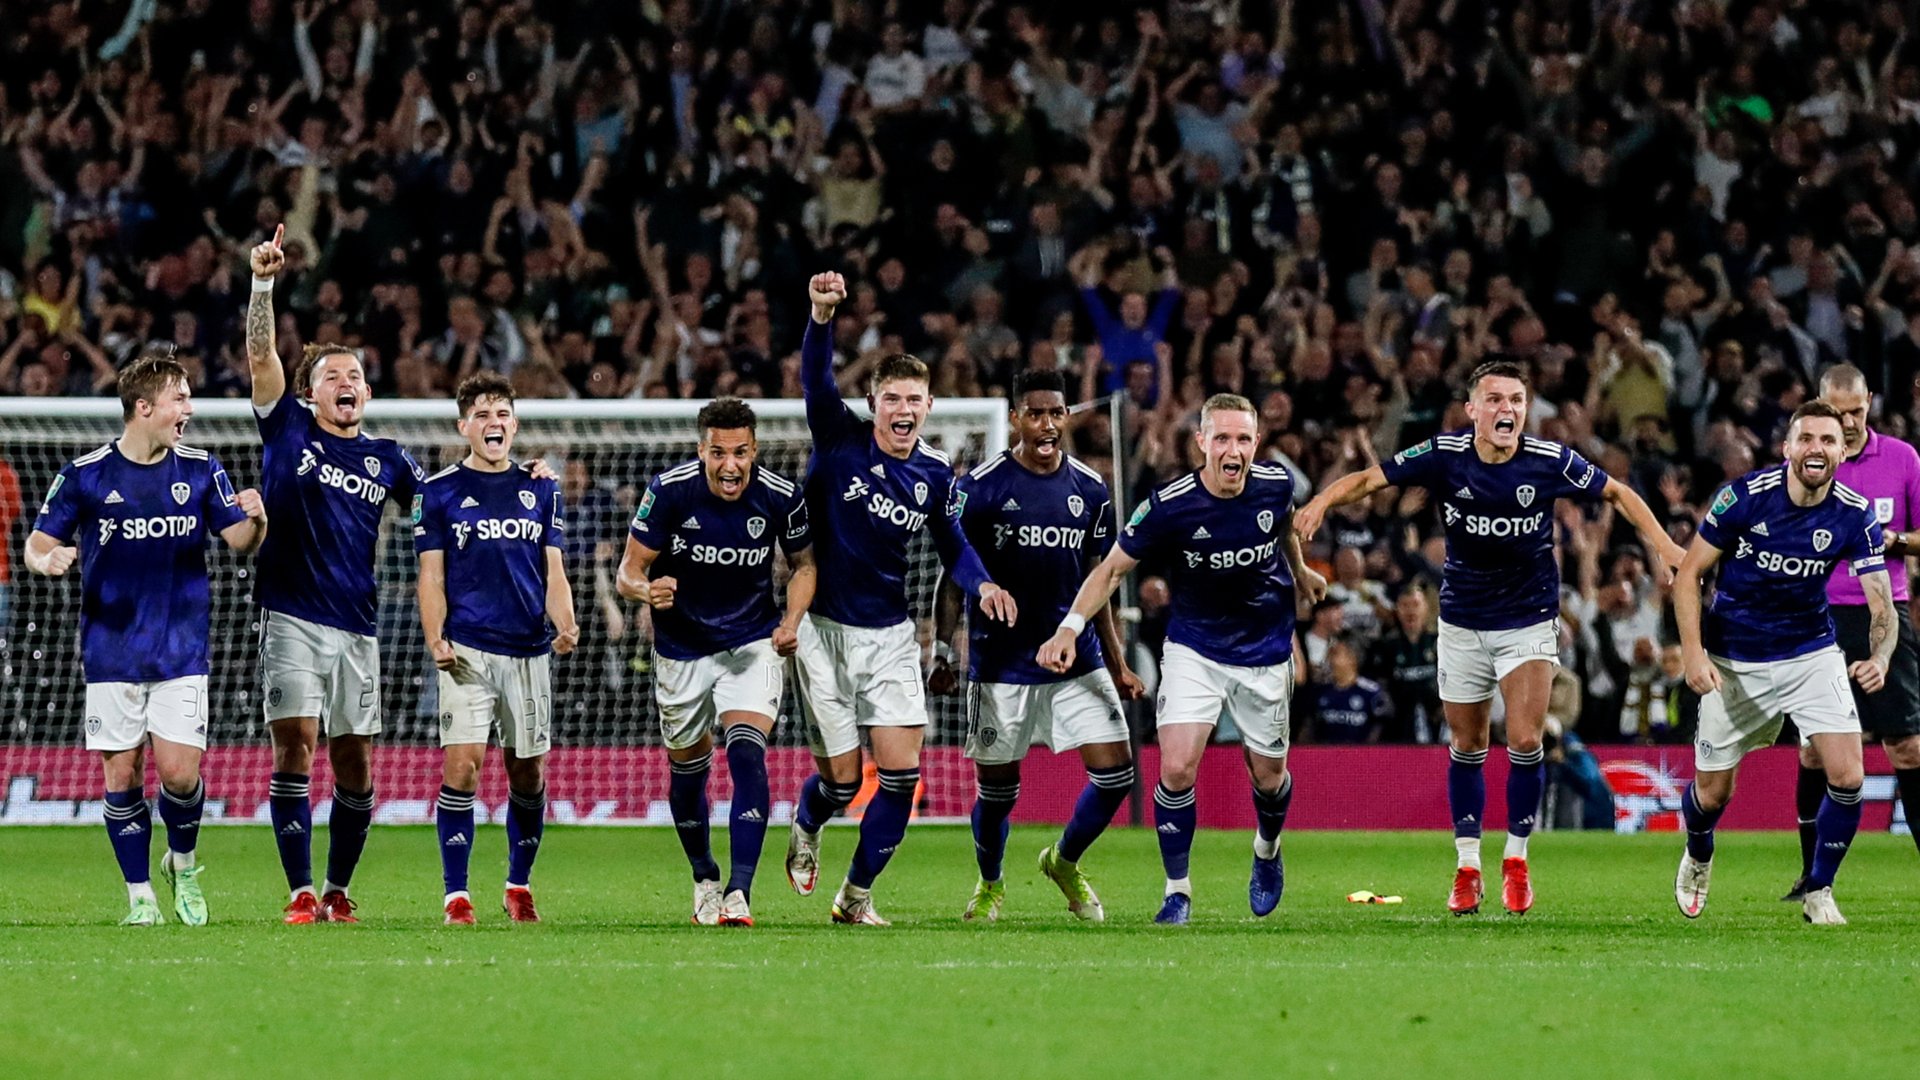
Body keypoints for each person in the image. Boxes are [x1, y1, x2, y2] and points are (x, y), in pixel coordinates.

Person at [1296, 360, 1684, 916]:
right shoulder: (1445, 455)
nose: (1507, 410)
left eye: (1516, 401)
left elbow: (1618, 492)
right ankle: (1467, 866)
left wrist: (1666, 547)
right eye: (1495, 400)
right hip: (1460, 622)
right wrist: (1319, 503)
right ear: (1473, 409)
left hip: (1527, 620)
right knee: (1468, 746)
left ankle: (1517, 861)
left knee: (1526, 740)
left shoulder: (1548, 460)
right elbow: (1369, 479)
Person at [1038, 393, 1327, 925]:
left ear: (1256, 444)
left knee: (1269, 778)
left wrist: (1301, 570)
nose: (1233, 449)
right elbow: (1111, 571)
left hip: (1264, 650)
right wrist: (1068, 628)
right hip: (1195, 647)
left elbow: (1282, 525)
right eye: (1222, 438)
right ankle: (1178, 890)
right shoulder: (1169, 505)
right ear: (1201, 443)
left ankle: (1266, 850)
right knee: (1175, 766)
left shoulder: (1276, 484)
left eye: (1243, 438)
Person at [785, 271, 1017, 927]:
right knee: (838, 779)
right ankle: (807, 823)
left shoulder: (934, 474)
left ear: (929, 406)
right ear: (874, 402)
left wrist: (985, 584)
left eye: (913, 398)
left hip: (889, 636)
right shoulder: (839, 437)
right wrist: (821, 316)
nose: (902, 409)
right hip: (823, 631)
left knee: (900, 777)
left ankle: (855, 898)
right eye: (891, 398)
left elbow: (957, 550)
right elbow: (813, 381)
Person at [25, 351, 266, 925]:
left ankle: (182, 866)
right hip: (110, 652)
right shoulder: (86, 475)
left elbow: (239, 541)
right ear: (144, 407)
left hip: (181, 649)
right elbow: (35, 543)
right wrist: (48, 558)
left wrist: (257, 518)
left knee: (181, 775)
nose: (189, 408)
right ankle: (140, 897)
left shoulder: (203, 468)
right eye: (179, 398)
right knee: (122, 775)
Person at [247, 225, 427, 924]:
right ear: (309, 393)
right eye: (332, 376)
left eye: (354, 376)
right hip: (290, 613)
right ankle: (297, 890)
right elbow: (261, 350)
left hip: (358, 625)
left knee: (355, 763)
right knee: (295, 744)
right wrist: (263, 282)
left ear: (368, 391)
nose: (345, 383)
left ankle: (339, 889)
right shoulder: (286, 427)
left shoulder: (388, 457)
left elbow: (441, 512)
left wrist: (513, 478)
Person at [931, 368, 1145, 923]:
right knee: (999, 794)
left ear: (1067, 416)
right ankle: (990, 882)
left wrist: (1119, 664)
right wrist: (942, 653)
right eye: (1036, 414)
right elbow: (953, 575)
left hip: (1076, 660)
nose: (1047, 425)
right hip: (1001, 664)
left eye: (1057, 413)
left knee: (1117, 773)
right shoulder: (980, 486)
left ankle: (1064, 859)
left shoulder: (1091, 490)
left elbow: (1099, 585)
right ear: (1015, 418)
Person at [1673, 400, 1893, 926]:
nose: (1817, 448)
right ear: (1788, 447)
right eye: (1807, 439)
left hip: (1810, 654)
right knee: (1713, 793)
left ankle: (1819, 888)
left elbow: (1881, 600)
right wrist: (1693, 654)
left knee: (1849, 774)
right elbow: (1688, 576)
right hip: (1735, 658)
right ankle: (1699, 850)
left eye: (1828, 440)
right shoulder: (1744, 498)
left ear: (1843, 450)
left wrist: (1881, 654)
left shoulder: (1853, 512)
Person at [615, 397, 815, 928]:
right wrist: (646, 590)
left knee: (748, 755)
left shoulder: (781, 496)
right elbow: (627, 572)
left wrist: (792, 620)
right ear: (702, 449)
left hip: (751, 642)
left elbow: (804, 566)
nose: (731, 465)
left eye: (742, 452)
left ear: (755, 450)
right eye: (719, 453)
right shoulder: (669, 490)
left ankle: (739, 892)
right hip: (681, 648)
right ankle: (704, 874)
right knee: (687, 771)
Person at [414, 373, 578, 926]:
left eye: (502, 414)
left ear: (515, 424)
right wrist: (435, 635)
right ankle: (455, 894)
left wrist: (567, 622)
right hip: (468, 649)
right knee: (462, 766)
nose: (494, 423)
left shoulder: (542, 488)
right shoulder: (438, 492)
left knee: (527, 775)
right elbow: (431, 575)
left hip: (529, 649)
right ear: (464, 427)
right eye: (482, 415)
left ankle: (518, 883)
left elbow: (552, 567)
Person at [1783, 366, 1920, 899]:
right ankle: (1810, 877)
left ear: (1871, 403)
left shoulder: (1903, 459)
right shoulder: (1807, 459)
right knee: (1814, 751)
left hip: (1884, 611)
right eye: (1836, 414)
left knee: (1906, 746)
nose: (1847, 423)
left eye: (1856, 413)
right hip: (1816, 612)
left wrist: (1897, 542)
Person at [1310, 640, 1393, 743]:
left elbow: (1382, 726)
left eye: (1335, 654)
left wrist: (1369, 751)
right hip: (1325, 755)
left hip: (1360, 755)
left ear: (1351, 659)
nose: (1329, 660)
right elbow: (1311, 725)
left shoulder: (1371, 692)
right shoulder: (1321, 691)